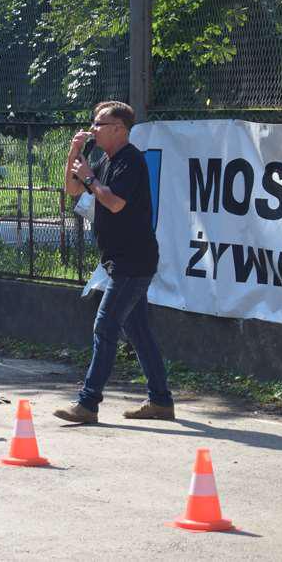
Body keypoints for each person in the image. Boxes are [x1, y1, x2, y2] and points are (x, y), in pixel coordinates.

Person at [53, 101, 175, 424]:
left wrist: (91, 178)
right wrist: (74, 154)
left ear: (119, 129)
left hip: (133, 261)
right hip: (119, 260)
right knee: (138, 331)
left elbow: (115, 203)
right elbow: (72, 188)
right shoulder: (105, 161)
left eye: (99, 124)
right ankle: (161, 401)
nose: (93, 129)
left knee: (105, 326)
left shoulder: (130, 161)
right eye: (93, 123)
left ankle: (88, 403)